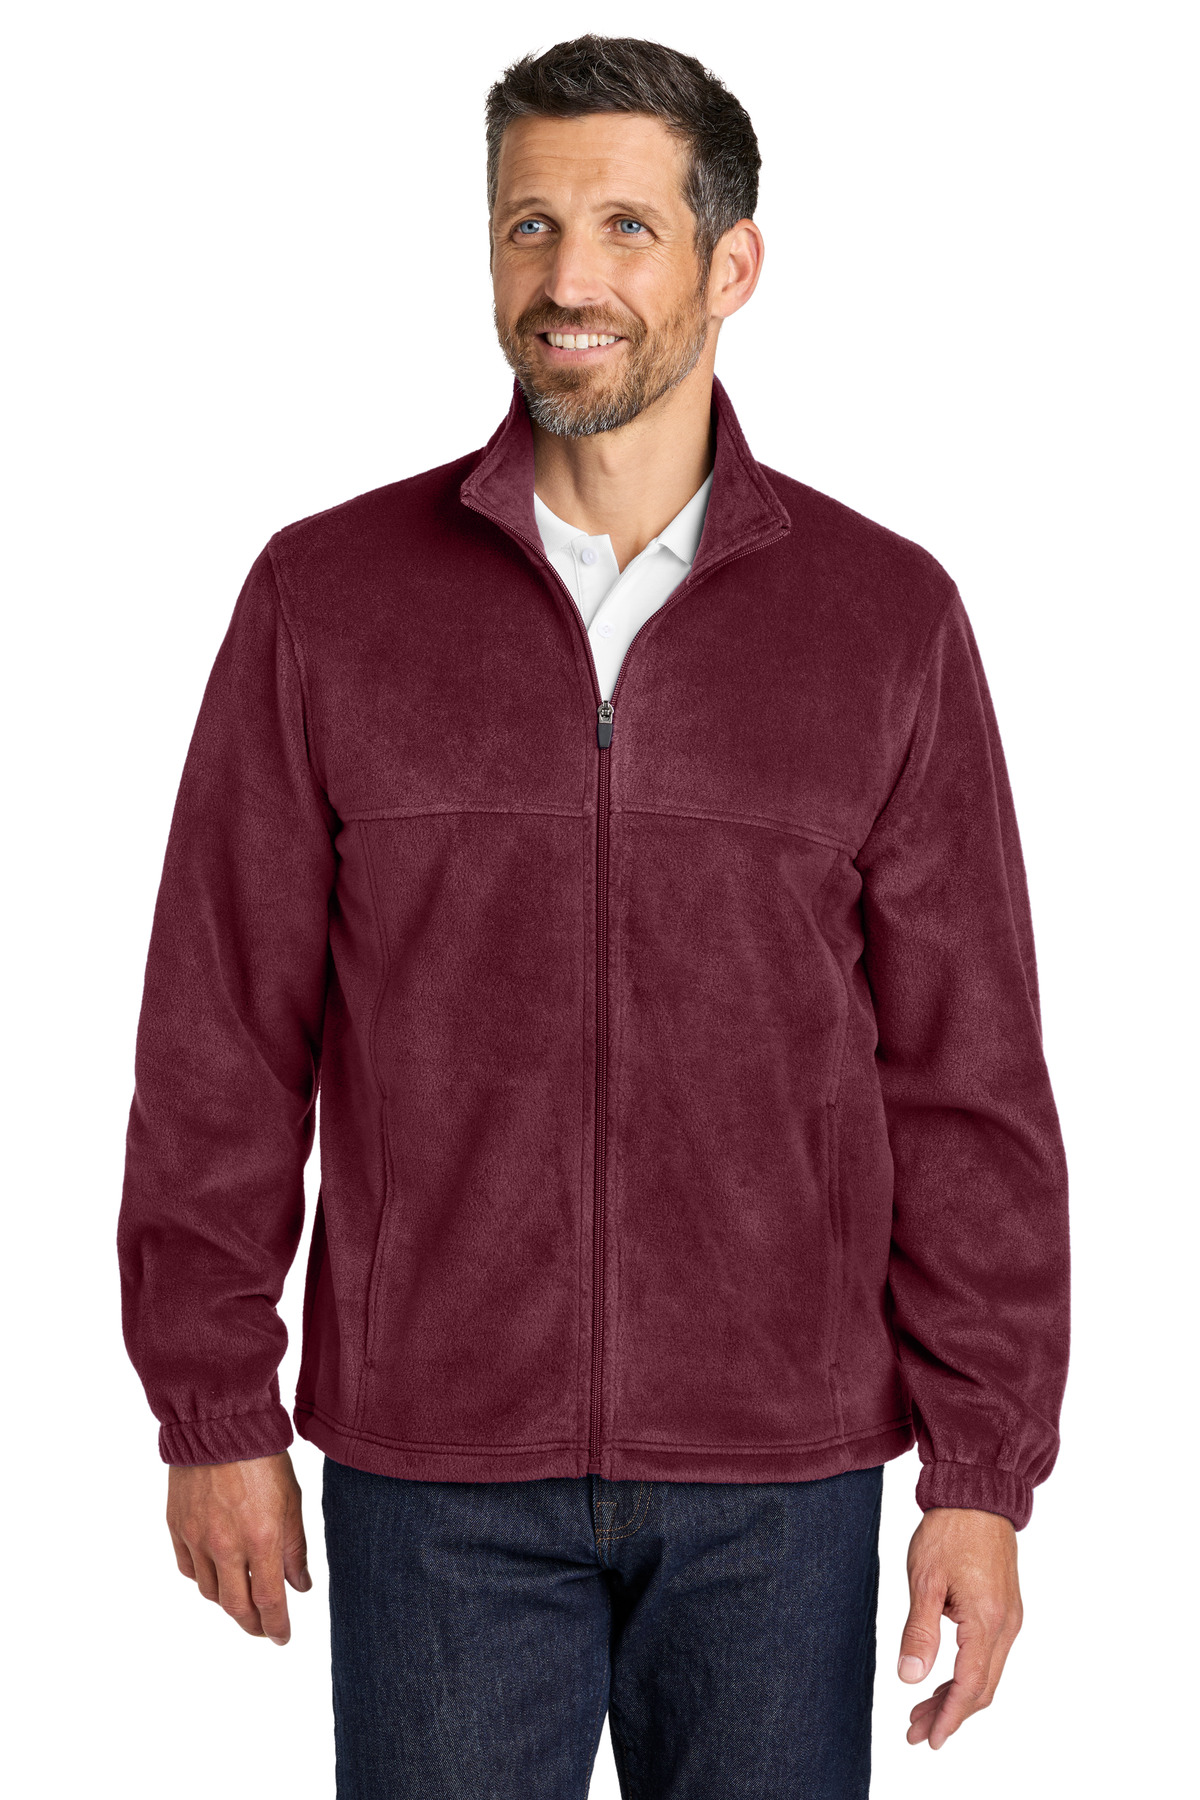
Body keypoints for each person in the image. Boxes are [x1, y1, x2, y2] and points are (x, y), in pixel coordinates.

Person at [117, 33, 1070, 1799]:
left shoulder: (885, 619)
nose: (569, 281)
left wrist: (982, 1471)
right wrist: (213, 1405)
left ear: (733, 263)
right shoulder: (327, 597)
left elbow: (969, 1080)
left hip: (781, 1476)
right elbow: (221, 1032)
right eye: (529, 225)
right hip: (434, 1471)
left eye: (628, 227)